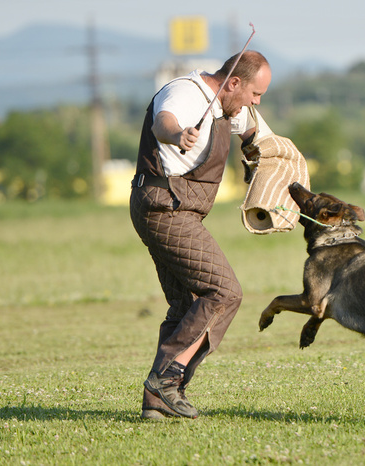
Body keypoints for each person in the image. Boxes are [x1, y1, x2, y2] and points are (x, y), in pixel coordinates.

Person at [130, 50, 272, 419]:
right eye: (255, 95)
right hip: (166, 207)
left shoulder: (230, 108)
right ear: (235, 83)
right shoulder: (185, 93)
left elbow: (258, 136)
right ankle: (165, 378)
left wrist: (265, 161)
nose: (256, 103)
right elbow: (163, 122)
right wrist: (179, 134)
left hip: (176, 209)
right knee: (223, 292)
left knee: (186, 304)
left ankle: (157, 403)